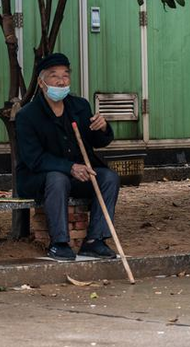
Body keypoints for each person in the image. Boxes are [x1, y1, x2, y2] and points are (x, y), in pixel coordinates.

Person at [15, 52, 120, 261]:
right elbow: (34, 159)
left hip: (77, 174)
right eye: (54, 76)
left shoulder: (79, 106)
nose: (61, 81)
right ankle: (59, 243)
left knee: (108, 177)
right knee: (57, 177)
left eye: (65, 75)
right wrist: (70, 167)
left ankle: (94, 240)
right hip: (39, 178)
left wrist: (103, 127)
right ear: (41, 82)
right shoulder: (27, 115)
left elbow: (97, 141)